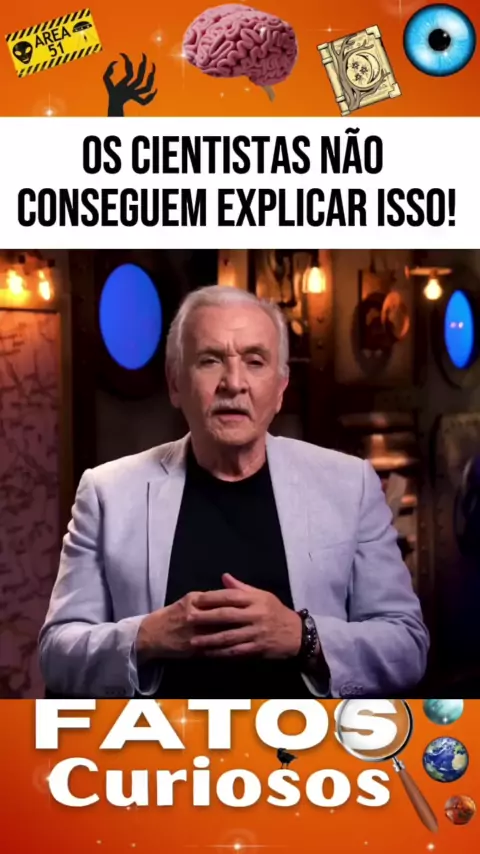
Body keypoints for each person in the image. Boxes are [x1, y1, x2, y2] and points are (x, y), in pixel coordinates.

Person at [39, 285, 429, 699]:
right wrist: (147, 636)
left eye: (255, 361)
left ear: (280, 388)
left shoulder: (350, 485)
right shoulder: (107, 493)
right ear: (175, 384)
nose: (234, 383)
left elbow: (406, 646)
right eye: (210, 360)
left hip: (302, 739)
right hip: (161, 739)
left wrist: (302, 636)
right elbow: (57, 654)